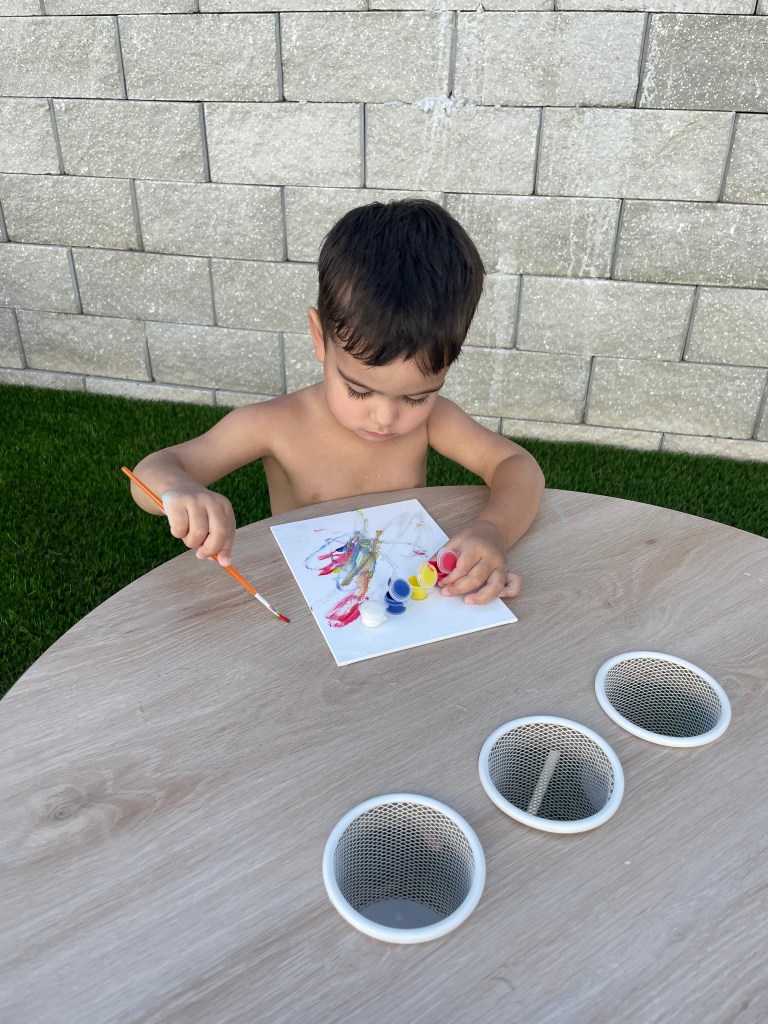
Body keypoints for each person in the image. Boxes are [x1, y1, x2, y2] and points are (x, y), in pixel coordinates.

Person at [130, 198, 544, 605]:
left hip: (396, 595)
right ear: (319, 338)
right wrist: (178, 489)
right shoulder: (273, 425)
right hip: (307, 596)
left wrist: (493, 530)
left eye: (417, 396)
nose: (385, 417)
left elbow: (517, 466)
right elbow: (151, 474)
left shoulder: (435, 420)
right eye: (359, 390)